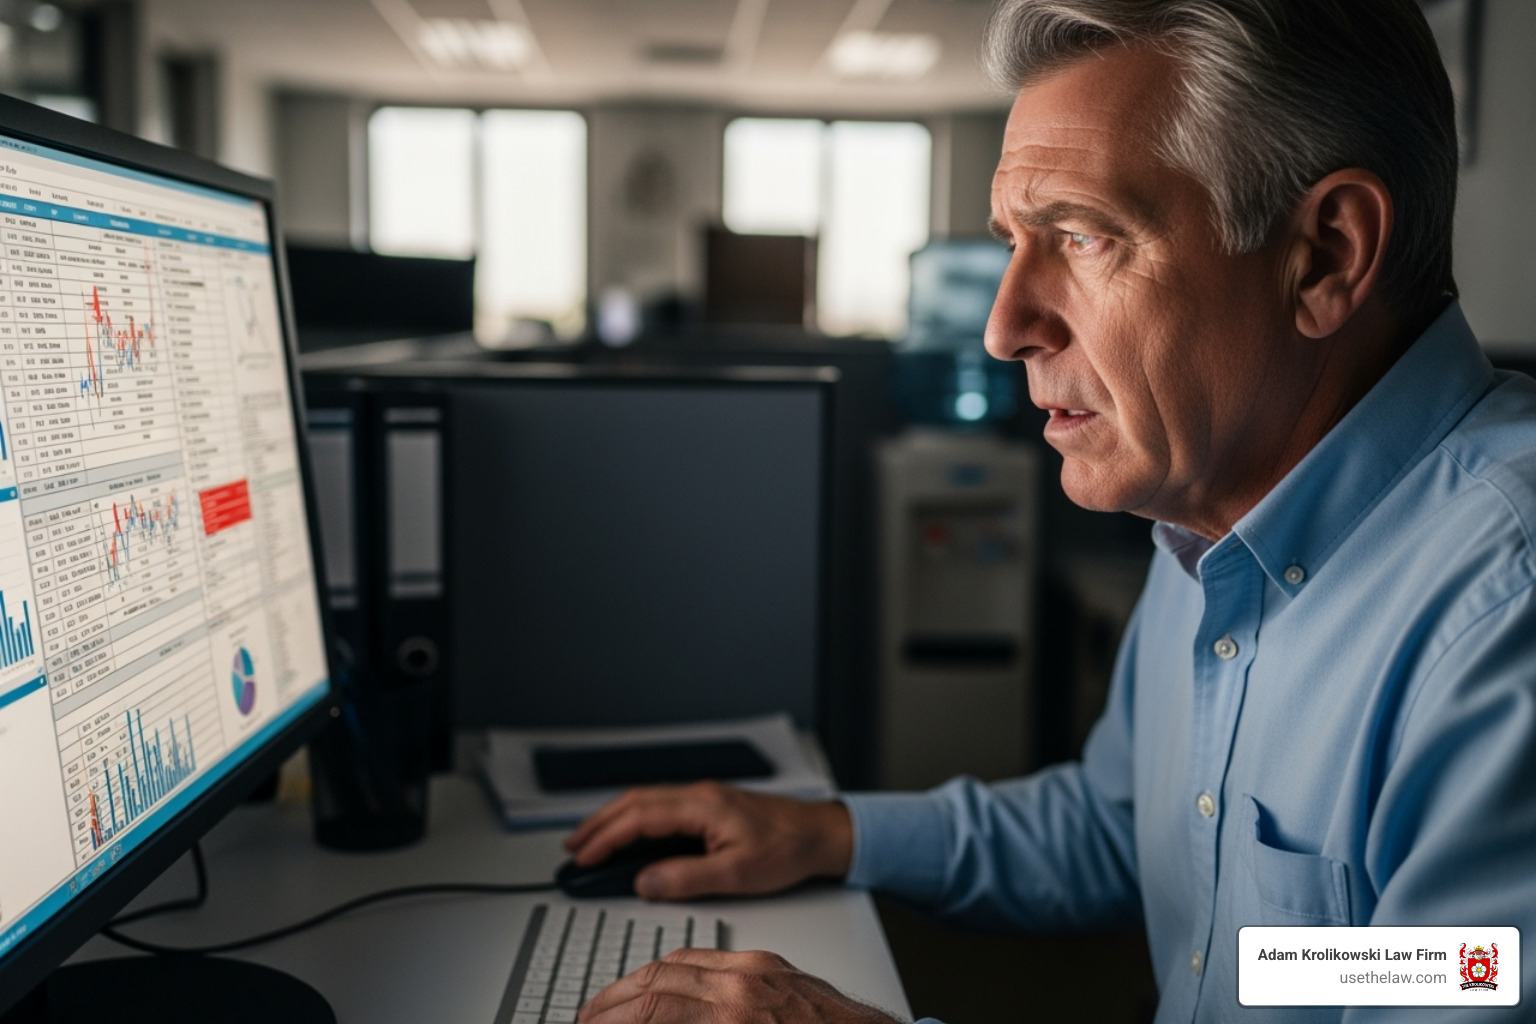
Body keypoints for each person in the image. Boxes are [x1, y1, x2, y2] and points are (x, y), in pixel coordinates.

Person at [567, 1, 1536, 1021]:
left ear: (1327, 255)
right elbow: (1129, 827)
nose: (1003, 326)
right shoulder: (1214, 513)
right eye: (1013, 242)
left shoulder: (1502, 618)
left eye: (1081, 235)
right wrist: (829, 831)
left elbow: (1457, 974)